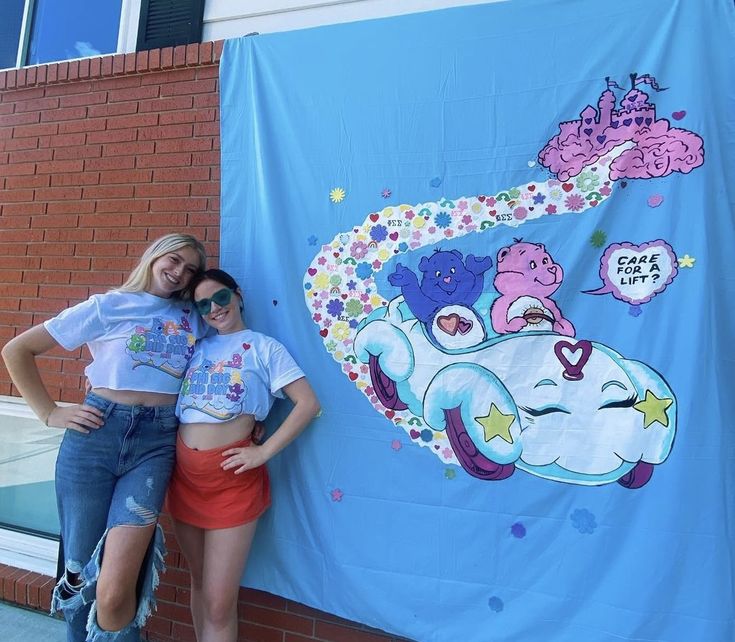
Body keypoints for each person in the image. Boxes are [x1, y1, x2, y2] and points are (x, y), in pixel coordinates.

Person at [1, 233, 208, 642]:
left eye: (190, 269)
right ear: (154, 256)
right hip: (95, 437)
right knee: (80, 567)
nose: (179, 272)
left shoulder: (195, 317)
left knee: (117, 583)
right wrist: (49, 412)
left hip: (155, 444)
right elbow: (17, 350)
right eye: (174, 259)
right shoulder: (109, 305)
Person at [167, 268, 319, 642]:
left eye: (220, 297)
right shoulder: (196, 347)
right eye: (203, 305)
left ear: (237, 295)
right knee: (199, 583)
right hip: (184, 479)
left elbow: (307, 404)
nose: (214, 309)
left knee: (219, 602)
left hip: (231, 483)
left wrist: (263, 451)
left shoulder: (265, 348)